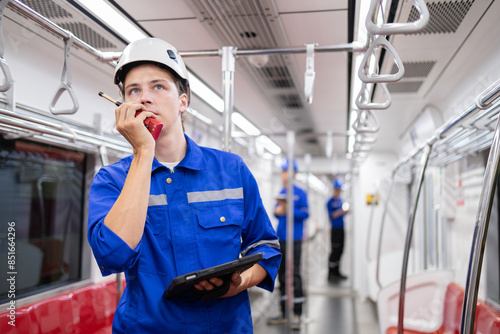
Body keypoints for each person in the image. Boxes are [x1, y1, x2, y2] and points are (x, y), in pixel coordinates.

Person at [87, 37, 281, 333]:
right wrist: (143, 153)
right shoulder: (111, 179)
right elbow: (114, 256)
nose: (145, 98)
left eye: (158, 86)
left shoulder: (231, 170)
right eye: (133, 90)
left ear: (182, 101)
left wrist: (235, 283)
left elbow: (266, 247)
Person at [267, 159, 309, 329]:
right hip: (281, 238)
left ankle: (298, 313)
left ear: (294, 173)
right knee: (282, 274)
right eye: (283, 171)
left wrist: (289, 209)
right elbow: (276, 212)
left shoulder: (300, 193)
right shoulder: (282, 191)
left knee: (295, 274)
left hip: (295, 238)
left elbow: (305, 213)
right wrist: (278, 211)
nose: (284, 175)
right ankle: (283, 312)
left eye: (287, 171)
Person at [327, 178, 349, 282]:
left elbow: (341, 213)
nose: (338, 192)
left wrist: (345, 212)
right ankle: (331, 273)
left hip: (341, 228)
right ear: (334, 190)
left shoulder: (341, 201)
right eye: (337, 189)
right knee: (334, 251)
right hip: (334, 229)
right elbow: (333, 215)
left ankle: (337, 272)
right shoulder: (330, 202)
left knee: (340, 250)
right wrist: (340, 211)